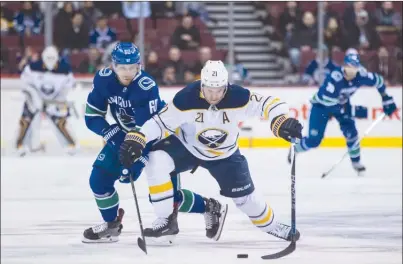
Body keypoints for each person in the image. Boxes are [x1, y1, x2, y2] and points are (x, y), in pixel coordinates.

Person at [118, 60, 303, 242]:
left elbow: (270, 104)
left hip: (225, 155)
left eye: (219, 90)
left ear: (226, 86)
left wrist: (281, 121)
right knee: (156, 160)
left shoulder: (239, 96)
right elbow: (159, 123)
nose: (213, 96)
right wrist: (138, 138)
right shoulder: (186, 98)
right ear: (202, 84)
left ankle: (273, 226)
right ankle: (166, 219)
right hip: (187, 148)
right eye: (209, 90)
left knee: (247, 201)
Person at [82, 43, 227, 243]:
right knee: (98, 180)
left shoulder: (146, 86)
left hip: (161, 137)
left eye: (132, 67)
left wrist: (138, 162)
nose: (128, 72)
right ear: (113, 66)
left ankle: (209, 206)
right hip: (125, 136)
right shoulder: (103, 80)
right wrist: (111, 133)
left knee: (166, 197)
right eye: (122, 67)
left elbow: (148, 129)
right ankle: (111, 224)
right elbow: (92, 116)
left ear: (139, 66)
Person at [289, 53, 397, 175]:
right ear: (344, 66)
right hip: (321, 106)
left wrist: (386, 98)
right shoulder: (335, 78)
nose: (351, 71)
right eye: (348, 67)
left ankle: (356, 162)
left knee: (352, 134)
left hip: (342, 105)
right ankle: (295, 147)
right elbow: (327, 101)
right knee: (314, 140)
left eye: (354, 68)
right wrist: (352, 111)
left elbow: (379, 81)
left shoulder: (362, 75)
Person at [16, 46, 77, 156]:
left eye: (52, 58)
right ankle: (19, 145)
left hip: (55, 100)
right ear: (43, 57)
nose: (50, 61)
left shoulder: (65, 70)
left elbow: (67, 88)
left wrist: (58, 102)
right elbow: (25, 84)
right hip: (35, 98)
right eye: (47, 58)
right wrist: (34, 98)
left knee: (61, 121)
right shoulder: (33, 67)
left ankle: (71, 144)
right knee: (25, 120)